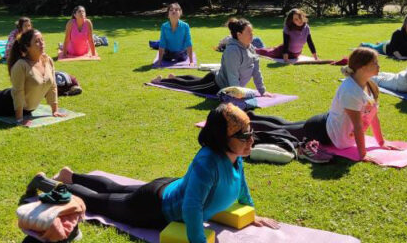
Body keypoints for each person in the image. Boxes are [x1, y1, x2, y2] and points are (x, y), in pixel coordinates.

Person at [25, 103, 279, 242]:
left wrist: (250, 212)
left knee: (116, 188)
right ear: (223, 138)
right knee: (99, 202)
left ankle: (70, 174)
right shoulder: (208, 163)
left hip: (167, 188)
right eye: (243, 135)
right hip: (153, 208)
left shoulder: (235, 156)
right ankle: (46, 183)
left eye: (251, 133)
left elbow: (241, 185)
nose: (251, 140)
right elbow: (192, 209)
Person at [248, 48, 399, 162]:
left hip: (330, 123)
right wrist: (363, 154)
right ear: (362, 67)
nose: (379, 66)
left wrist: (381, 142)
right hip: (322, 129)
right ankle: (248, 121)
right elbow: (358, 125)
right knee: (284, 130)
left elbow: (373, 116)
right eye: (375, 63)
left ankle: (251, 117)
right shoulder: (351, 90)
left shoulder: (370, 86)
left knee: (287, 125)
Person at [152, 18, 272, 97]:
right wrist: (237, 94)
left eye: (252, 32)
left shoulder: (251, 48)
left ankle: (175, 77)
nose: (252, 35)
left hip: (219, 79)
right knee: (190, 86)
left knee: (196, 80)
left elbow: (256, 71)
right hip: (216, 84)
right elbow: (233, 75)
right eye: (249, 33)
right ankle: (161, 81)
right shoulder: (232, 51)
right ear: (239, 35)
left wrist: (262, 91)